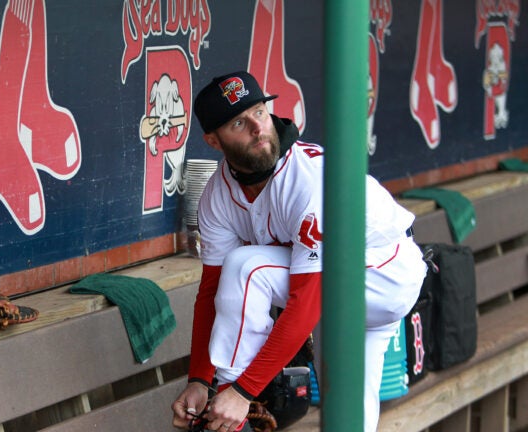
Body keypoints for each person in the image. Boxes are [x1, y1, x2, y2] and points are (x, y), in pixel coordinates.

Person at [171, 71, 427, 432]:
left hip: (384, 273)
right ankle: (226, 405)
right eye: (239, 122)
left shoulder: (308, 179)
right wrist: (198, 377)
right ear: (213, 140)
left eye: (259, 112)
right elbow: (211, 291)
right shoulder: (217, 195)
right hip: (334, 289)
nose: (258, 128)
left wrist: (241, 391)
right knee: (350, 415)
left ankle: (228, 415)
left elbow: (305, 299)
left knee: (248, 267)